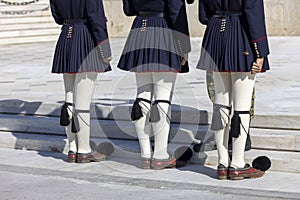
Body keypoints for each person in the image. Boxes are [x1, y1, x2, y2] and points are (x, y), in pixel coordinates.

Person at [197, 0, 270, 180]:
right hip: (241, 34)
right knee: (242, 107)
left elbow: (203, 15)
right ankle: (237, 164)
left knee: (220, 106)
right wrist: (261, 52)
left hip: (214, 35)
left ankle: (222, 163)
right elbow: (254, 13)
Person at [118, 0, 191, 170]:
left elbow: (128, 10)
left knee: (142, 96)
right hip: (163, 30)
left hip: (139, 30)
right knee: (162, 98)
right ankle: (160, 154)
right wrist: (183, 46)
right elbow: (175, 11)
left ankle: (145, 154)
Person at [50, 0, 112, 163]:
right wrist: (105, 48)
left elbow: (57, 17)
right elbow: (96, 17)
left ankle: (72, 149)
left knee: (69, 98)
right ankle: (84, 150)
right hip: (85, 37)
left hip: (66, 37)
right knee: (82, 102)